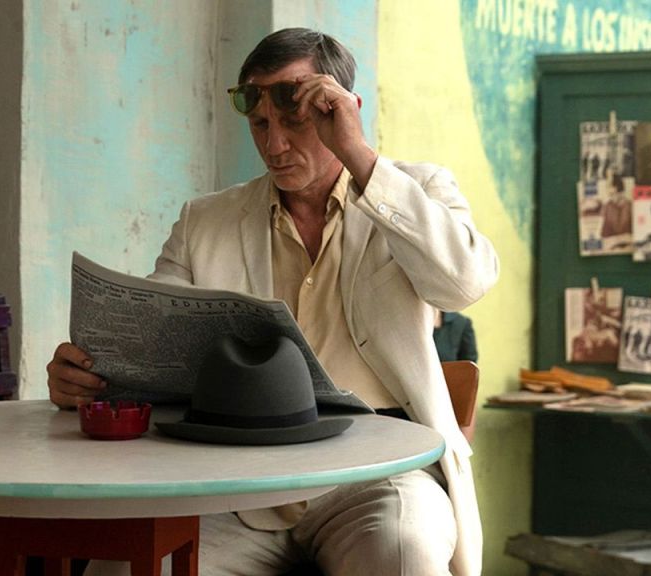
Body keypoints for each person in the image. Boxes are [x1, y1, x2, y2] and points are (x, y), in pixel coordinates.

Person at [46, 28, 499, 576]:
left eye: (295, 121)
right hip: (237, 486)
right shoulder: (204, 222)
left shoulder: (415, 189)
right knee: (124, 569)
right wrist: (89, 379)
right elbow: (151, 346)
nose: (274, 145)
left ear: (343, 110)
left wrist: (357, 157)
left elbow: (464, 282)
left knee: (405, 554)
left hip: (381, 476)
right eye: (260, 124)